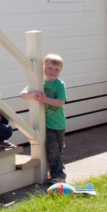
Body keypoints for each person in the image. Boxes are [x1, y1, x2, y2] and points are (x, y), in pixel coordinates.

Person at [20, 54, 67, 184]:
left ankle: (55, 171)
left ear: (60, 71)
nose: (53, 71)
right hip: (46, 125)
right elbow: (22, 94)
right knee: (52, 149)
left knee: (57, 150)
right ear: (43, 67)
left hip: (59, 124)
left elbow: (60, 102)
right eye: (50, 68)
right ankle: (58, 174)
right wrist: (32, 93)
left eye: (56, 69)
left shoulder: (59, 84)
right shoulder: (39, 83)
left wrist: (45, 99)